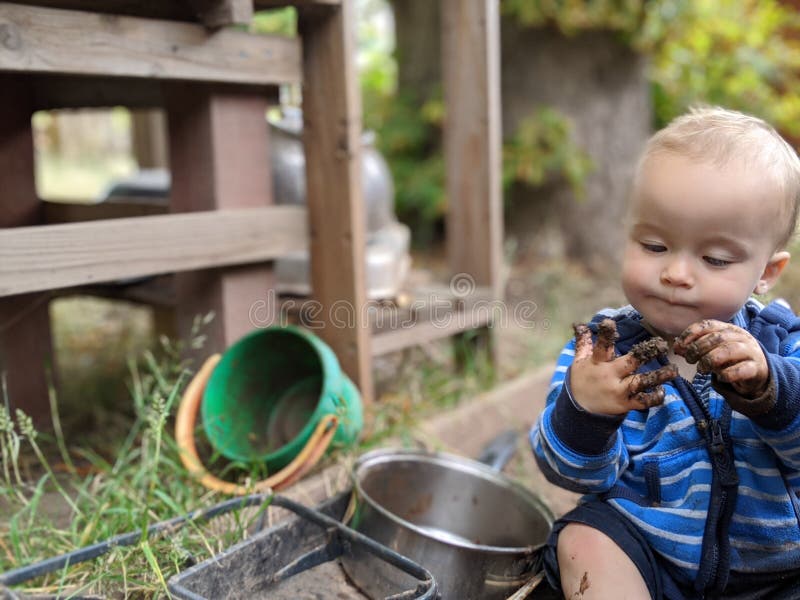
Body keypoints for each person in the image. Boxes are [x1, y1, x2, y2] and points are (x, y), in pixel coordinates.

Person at [530, 106, 800, 600]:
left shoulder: (782, 343)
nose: (676, 273)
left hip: (775, 573)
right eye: (654, 245)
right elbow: (568, 472)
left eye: (714, 259)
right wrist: (585, 410)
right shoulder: (599, 353)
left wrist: (771, 389)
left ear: (767, 271)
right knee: (583, 538)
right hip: (648, 556)